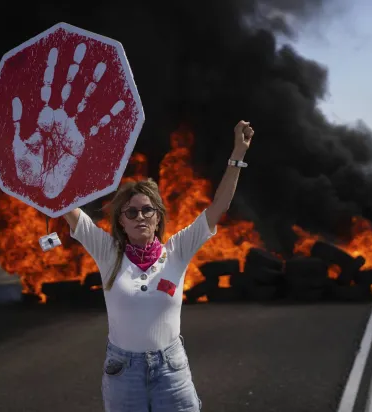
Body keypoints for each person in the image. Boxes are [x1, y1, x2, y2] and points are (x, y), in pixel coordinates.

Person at [62, 120, 254, 412]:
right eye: (131, 212)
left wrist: (238, 153)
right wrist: (53, 163)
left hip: (171, 370)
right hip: (123, 373)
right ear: (121, 222)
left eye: (147, 210)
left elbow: (219, 206)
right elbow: (67, 205)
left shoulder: (177, 250)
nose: (140, 216)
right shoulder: (108, 252)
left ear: (157, 217)